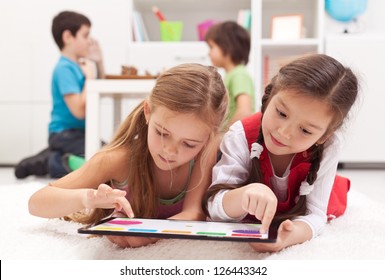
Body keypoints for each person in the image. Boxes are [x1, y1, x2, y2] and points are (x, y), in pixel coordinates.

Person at [28, 63, 228, 248]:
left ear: (208, 137)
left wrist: (149, 235)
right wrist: (88, 198)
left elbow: (194, 213)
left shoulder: (206, 151)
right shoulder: (117, 159)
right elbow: (36, 202)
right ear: (148, 111)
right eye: (162, 133)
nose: (170, 150)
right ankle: (53, 159)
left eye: (189, 144)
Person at [203, 54, 358, 252]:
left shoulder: (330, 145)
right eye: (282, 113)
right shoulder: (240, 135)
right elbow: (214, 206)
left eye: (305, 131)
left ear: (324, 136)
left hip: (307, 194)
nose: (284, 133)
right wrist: (244, 196)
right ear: (269, 97)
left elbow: (315, 214)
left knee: (333, 196)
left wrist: (287, 237)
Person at [14, 10, 105, 179]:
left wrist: (98, 62)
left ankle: (56, 154)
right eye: (85, 36)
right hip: (65, 134)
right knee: (102, 163)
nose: (89, 41)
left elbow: (97, 90)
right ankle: (51, 161)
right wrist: (89, 79)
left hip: (78, 133)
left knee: (109, 156)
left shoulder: (79, 66)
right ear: (68, 37)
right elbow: (78, 110)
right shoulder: (64, 69)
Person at [205, 21, 255, 128]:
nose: (208, 52)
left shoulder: (239, 75)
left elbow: (245, 111)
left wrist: (223, 134)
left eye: (211, 47)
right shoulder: (231, 75)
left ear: (227, 47)